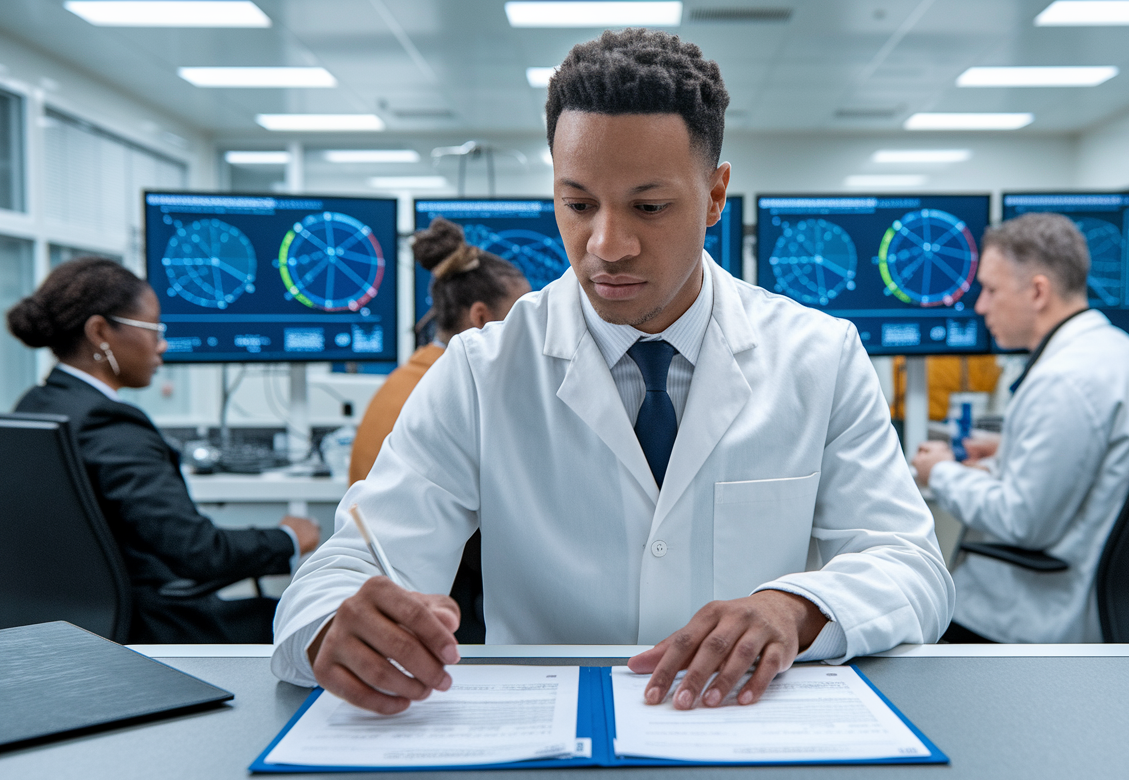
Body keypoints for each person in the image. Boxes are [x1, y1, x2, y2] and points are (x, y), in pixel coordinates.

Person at [273, 28, 953, 715]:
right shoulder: (482, 371)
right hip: (548, 748)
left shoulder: (820, 356)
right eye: (578, 204)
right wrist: (337, 623)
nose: (607, 246)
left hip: (744, 737)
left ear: (716, 196)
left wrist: (795, 608)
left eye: (649, 207)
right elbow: (348, 566)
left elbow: (911, 567)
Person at [6, 257, 320, 644]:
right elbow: (199, 553)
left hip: (65, 629)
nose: (162, 344)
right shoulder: (110, 424)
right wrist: (287, 537)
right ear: (100, 332)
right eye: (153, 329)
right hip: (153, 628)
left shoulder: (34, 406)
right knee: (312, 619)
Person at [911, 213, 1129, 644]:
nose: (980, 306)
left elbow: (1022, 523)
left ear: (1038, 291)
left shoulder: (1062, 381)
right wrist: (1009, 449)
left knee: (911, 623)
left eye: (991, 290)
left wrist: (939, 471)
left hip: (1037, 614)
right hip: (1127, 603)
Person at [347, 218, 531, 485]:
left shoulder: (409, 377)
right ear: (480, 317)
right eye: (520, 317)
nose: (530, 330)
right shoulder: (457, 393)